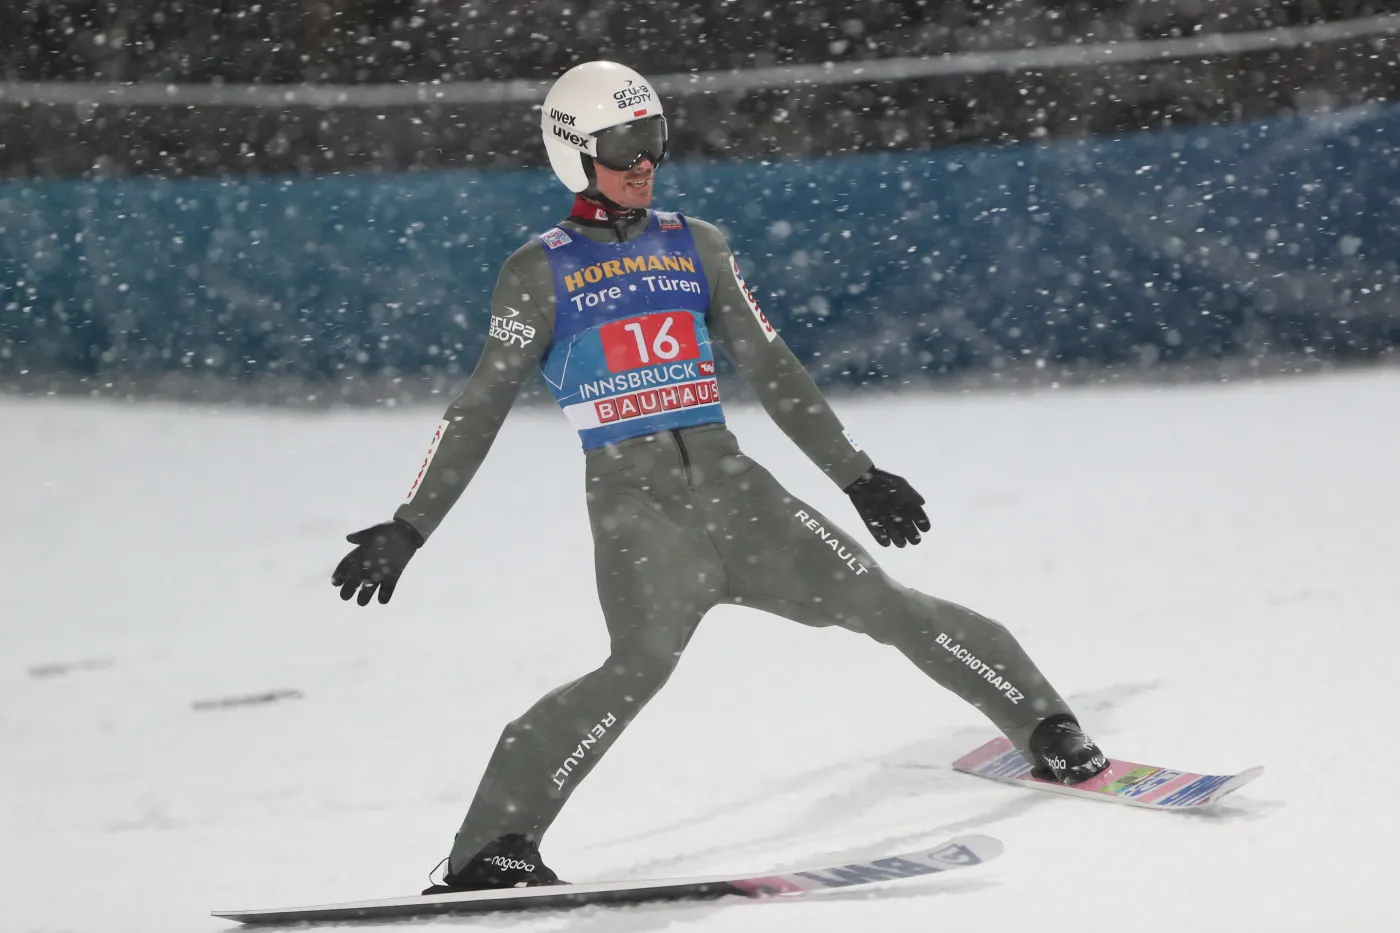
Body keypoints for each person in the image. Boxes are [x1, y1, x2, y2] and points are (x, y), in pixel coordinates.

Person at [332, 60, 1108, 894]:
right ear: (573, 154)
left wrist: (859, 475)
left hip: (742, 497)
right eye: (623, 144)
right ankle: (493, 846)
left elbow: (774, 369)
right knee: (634, 669)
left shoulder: (696, 243)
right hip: (640, 514)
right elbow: (477, 406)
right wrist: (410, 523)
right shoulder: (539, 270)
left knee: (887, 604)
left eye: (654, 141)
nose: (644, 162)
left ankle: (1047, 725)